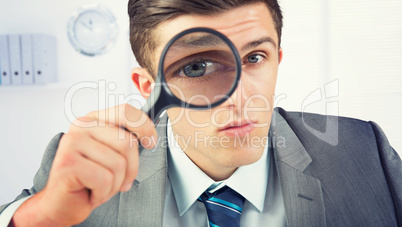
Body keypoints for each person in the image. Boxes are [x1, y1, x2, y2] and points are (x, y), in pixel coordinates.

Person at [1, 0, 401, 226]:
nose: (241, 97)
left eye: (256, 57)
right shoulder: (82, 167)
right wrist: (41, 217)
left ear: (278, 59)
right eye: (196, 67)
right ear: (147, 88)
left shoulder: (364, 152)